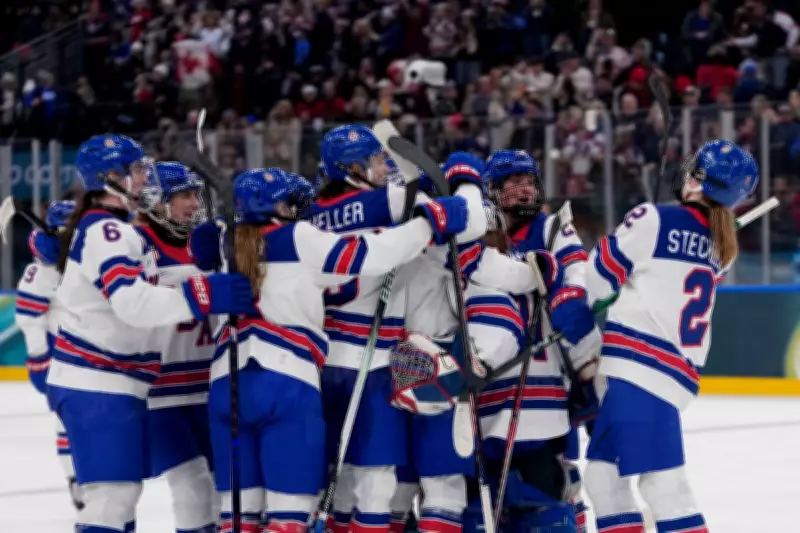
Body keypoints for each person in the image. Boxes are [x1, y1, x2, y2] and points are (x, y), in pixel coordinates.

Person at [189, 166, 469, 533]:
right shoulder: (297, 237)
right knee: (289, 516)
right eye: (289, 204)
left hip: (226, 383)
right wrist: (427, 225)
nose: (297, 211)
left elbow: (199, 247)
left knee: (239, 514)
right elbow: (371, 255)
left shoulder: (224, 242)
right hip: (286, 380)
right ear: (275, 206)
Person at [45, 134, 254, 533]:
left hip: (113, 382)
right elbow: (133, 303)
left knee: (118, 499)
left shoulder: (110, 228)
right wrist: (203, 292)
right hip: (99, 381)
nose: (145, 179)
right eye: (138, 171)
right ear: (111, 177)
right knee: (111, 499)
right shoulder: (109, 231)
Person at [308, 127, 488, 533]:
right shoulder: (387, 201)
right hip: (370, 363)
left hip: (321, 363)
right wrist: (466, 180)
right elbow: (471, 222)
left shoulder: (310, 214)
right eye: (374, 161)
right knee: (377, 487)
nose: (383, 168)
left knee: (341, 483)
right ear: (352, 168)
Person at [582, 140, 758, 533]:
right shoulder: (723, 248)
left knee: (665, 489)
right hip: (668, 372)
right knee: (602, 479)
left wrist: (592, 302)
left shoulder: (652, 218)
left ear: (696, 181)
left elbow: (596, 279)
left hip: (641, 368)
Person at [482, 149, 601, 532]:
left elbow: (575, 265)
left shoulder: (550, 228)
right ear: (492, 191)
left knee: (547, 488)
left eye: (529, 182)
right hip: (486, 388)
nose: (524, 190)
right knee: (481, 503)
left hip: (544, 382)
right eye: (514, 183)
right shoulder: (477, 235)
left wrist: (571, 294)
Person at [136, 161, 218, 533]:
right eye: (184, 195)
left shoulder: (207, 240)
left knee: (222, 487)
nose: (194, 203)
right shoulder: (134, 243)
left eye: (196, 194)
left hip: (210, 386)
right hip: (160, 392)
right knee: (192, 485)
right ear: (156, 199)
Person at [15, 200, 83, 510]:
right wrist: (39, 358)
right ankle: (75, 478)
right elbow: (30, 318)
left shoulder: (88, 259)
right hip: (61, 358)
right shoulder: (41, 271)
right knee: (65, 422)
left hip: (96, 352)